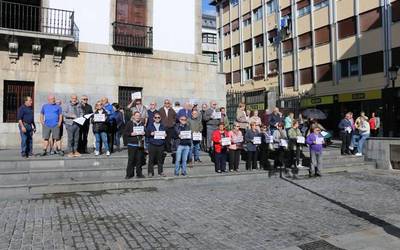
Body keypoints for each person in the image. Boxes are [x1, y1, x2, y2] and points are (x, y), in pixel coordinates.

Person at [124, 111, 146, 179]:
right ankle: (129, 174)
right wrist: (131, 134)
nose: (138, 117)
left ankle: (139, 174)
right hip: (131, 144)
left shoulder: (142, 124)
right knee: (131, 160)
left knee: (139, 160)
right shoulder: (129, 123)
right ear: (133, 116)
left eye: (139, 116)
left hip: (139, 145)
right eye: (136, 115)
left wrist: (144, 133)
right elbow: (125, 133)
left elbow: (146, 132)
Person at [145, 112, 167, 177]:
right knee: (151, 159)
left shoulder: (163, 126)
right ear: (153, 118)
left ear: (160, 118)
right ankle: (150, 172)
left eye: (158, 117)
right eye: (156, 117)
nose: (157, 118)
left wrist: (165, 135)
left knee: (160, 160)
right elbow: (146, 134)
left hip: (160, 144)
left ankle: (160, 172)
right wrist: (150, 134)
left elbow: (165, 134)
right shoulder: (150, 126)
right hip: (152, 144)